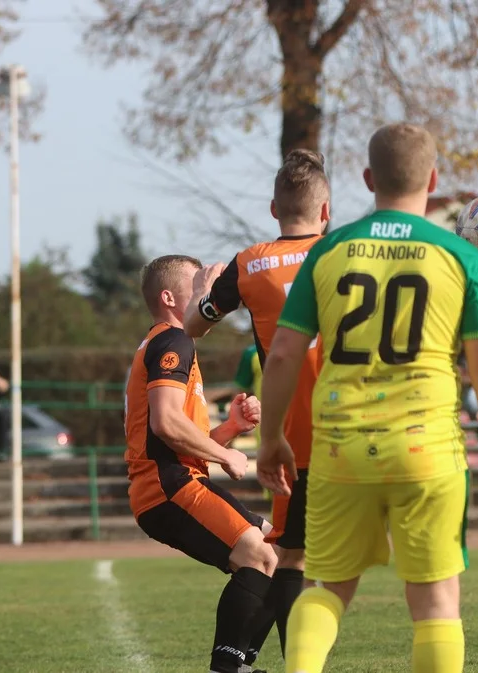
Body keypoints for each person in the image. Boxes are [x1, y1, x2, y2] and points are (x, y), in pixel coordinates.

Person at [254, 123, 478, 673]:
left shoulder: (330, 247)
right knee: (435, 604)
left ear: (366, 179)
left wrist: (271, 439)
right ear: (432, 179)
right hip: (426, 451)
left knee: (327, 587)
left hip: (340, 449)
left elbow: (284, 354)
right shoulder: (462, 256)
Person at [184, 149, 331, 665]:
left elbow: (194, 326)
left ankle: (261, 662)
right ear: (326, 210)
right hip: (357, 423)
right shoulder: (345, 252)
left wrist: (203, 295)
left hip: (292, 435)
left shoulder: (249, 263)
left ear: (274, 209)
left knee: (290, 557)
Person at [125, 255, 276, 673]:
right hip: (167, 487)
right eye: (199, 285)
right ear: (171, 297)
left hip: (173, 480)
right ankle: (228, 668)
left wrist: (228, 431)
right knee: (260, 556)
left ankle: (237, 664)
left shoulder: (167, 343)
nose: (208, 294)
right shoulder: (173, 342)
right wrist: (226, 455)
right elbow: (166, 422)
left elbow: (173, 437)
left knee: (277, 552)